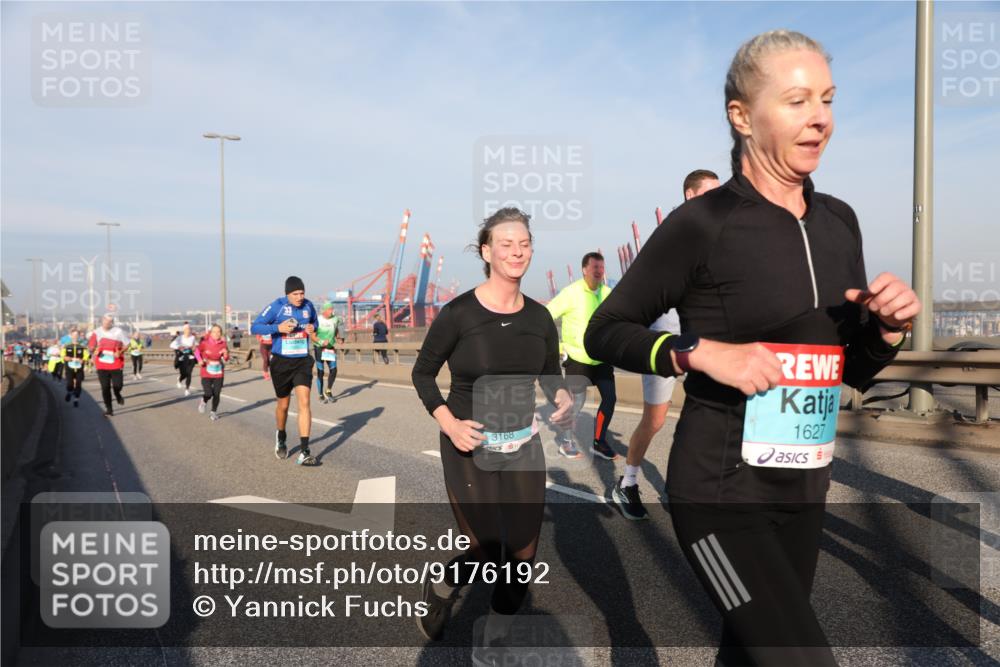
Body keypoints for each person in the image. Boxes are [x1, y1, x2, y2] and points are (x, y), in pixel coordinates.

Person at [584, 30, 921, 666]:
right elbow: (606, 329)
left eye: (827, 99)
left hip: (803, 489)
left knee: (751, 653)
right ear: (741, 116)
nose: (819, 117)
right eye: (797, 101)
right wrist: (697, 352)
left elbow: (846, 367)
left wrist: (885, 329)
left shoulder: (839, 220)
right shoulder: (703, 223)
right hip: (717, 495)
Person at [411, 208, 573, 651]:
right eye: (506, 243)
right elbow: (423, 374)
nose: (516, 251)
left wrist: (562, 397)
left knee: (522, 555)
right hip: (471, 446)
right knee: (486, 550)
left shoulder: (540, 317)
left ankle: (496, 637)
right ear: (487, 251)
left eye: (523, 243)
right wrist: (448, 422)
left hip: (523, 445)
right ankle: (442, 587)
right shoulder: (458, 313)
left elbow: (549, 374)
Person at [613, 169, 721, 521]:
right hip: (666, 340)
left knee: (715, 413)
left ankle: (701, 487)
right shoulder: (672, 234)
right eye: (711, 193)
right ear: (691, 196)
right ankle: (627, 481)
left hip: (705, 340)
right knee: (655, 420)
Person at [546, 252, 616, 460]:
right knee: (577, 403)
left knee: (610, 399)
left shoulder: (608, 293)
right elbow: (546, 316)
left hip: (601, 358)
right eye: (595, 267)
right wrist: (559, 347)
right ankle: (566, 442)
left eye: (601, 268)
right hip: (577, 358)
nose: (599, 271)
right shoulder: (571, 293)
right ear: (584, 270)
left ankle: (599, 441)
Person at [251, 276, 320, 466]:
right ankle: (281, 435)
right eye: (295, 294)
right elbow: (255, 326)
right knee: (283, 405)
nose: (299, 297)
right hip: (281, 362)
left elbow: (315, 323)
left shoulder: (309, 306)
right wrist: (278, 327)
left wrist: (313, 327)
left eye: (302, 293)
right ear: (287, 294)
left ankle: (304, 451)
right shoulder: (277, 306)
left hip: (302, 361)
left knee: (304, 402)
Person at [88, 314, 130, 417]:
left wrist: (120, 352)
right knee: (105, 387)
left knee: (118, 385)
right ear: (102, 320)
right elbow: (91, 346)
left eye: (110, 321)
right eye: (106, 321)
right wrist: (94, 350)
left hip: (116, 363)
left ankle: (117, 394)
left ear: (112, 322)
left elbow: (127, 344)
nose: (107, 323)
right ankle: (109, 409)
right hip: (101, 364)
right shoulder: (96, 332)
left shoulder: (118, 332)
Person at [195, 324, 231, 421]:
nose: (216, 333)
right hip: (206, 372)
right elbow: (196, 351)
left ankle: (213, 412)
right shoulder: (205, 343)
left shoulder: (223, 344)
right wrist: (199, 360)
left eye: (218, 332)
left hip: (218, 372)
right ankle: (204, 401)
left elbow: (226, 358)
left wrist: (226, 353)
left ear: (221, 333)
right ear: (210, 333)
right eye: (214, 331)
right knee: (209, 393)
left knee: (217, 393)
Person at [314, 301, 345, 403]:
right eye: (330, 309)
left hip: (330, 348)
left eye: (332, 309)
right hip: (319, 348)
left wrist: (338, 338)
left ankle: (328, 391)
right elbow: (312, 336)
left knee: (334, 370)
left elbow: (336, 329)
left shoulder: (335, 319)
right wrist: (321, 341)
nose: (332, 311)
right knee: (321, 372)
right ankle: (320, 394)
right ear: (324, 310)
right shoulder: (317, 320)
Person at [61, 329, 90, 408]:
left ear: (79, 336)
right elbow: (62, 355)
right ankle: (69, 393)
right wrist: (66, 358)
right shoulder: (66, 345)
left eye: (77, 335)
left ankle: (76, 400)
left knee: (78, 384)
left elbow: (86, 355)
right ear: (71, 335)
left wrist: (83, 360)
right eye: (74, 335)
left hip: (79, 368)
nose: (75, 336)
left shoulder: (82, 345)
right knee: (70, 384)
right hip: (69, 367)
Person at [170, 324, 198, 396]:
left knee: (189, 373)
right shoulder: (180, 338)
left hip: (190, 357)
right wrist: (179, 347)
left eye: (190, 329)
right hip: (182, 358)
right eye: (187, 329)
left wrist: (194, 347)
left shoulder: (193, 337)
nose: (189, 331)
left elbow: (196, 345)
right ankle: (179, 380)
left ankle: (187, 389)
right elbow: (172, 345)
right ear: (184, 330)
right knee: (184, 373)